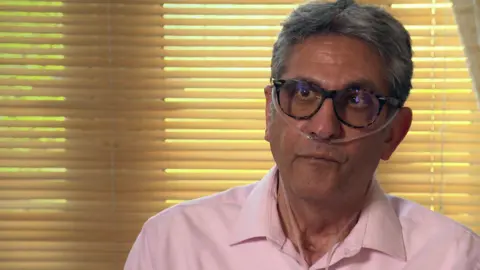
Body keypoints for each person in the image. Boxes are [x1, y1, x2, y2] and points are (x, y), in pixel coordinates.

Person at [124, 0, 480, 269]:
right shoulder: (172, 244)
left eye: (356, 100)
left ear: (393, 134)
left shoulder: (454, 257)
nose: (324, 128)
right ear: (270, 112)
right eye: (304, 93)